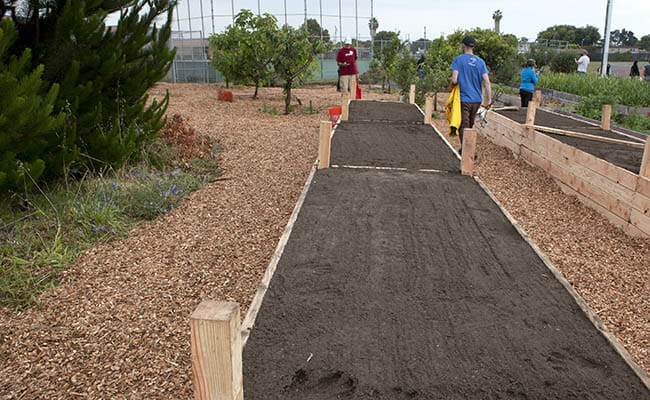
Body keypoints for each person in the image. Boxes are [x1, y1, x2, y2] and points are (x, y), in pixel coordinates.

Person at [450, 35, 492, 154]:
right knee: (470, 125)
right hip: (476, 99)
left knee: (463, 125)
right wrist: (488, 100)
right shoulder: (480, 62)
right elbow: (487, 82)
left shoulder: (458, 60)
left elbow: (454, 80)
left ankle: (468, 151)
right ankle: (466, 148)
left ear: (463, 45)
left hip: (464, 98)